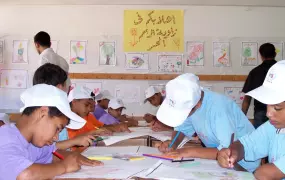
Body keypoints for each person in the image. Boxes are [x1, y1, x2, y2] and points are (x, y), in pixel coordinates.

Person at [156, 73, 260, 172]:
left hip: (243, 165)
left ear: (197, 105)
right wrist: (173, 145)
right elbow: (182, 129)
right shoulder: (190, 101)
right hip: (218, 160)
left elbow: (227, 152)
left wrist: (185, 152)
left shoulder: (219, 109)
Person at [0, 84, 103, 180]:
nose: (56, 138)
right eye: (57, 129)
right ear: (43, 113)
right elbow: (25, 175)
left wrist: (73, 157)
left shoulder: (32, 143)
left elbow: (51, 155)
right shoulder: (5, 138)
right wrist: (64, 166)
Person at [217, 61, 285, 179]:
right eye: (267, 105)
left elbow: (265, 174)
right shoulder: (273, 127)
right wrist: (234, 152)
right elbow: (246, 144)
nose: (268, 113)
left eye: (277, 108)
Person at [33, 63, 98, 150]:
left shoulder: (36, 112)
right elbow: (44, 151)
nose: (67, 93)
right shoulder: (54, 115)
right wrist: (73, 142)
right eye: (67, 88)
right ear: (59, 88)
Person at [242, 43, 277, 128]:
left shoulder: (255, 72)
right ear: (275, 54)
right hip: (279, 111)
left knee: (261, 139)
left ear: (261, 55)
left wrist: (241, 117)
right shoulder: (281, 70)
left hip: (260, 113)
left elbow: (247, 98)